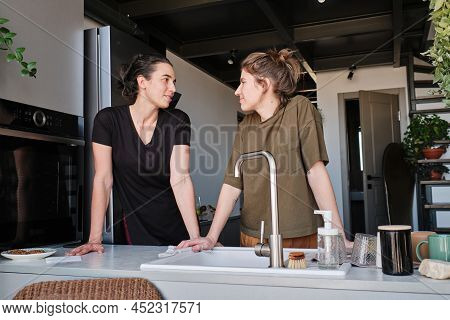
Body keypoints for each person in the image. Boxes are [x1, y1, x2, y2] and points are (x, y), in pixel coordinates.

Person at [178, 49, 352, 252]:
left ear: (264, 84)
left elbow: (316, 172)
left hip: (300, 236)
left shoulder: (300, 108)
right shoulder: (246, 125)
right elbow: (232, 184)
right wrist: (210, 237)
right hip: (253, 236)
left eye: (243, 82)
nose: (236, 91)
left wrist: (339, 235)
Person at [68, 54, 200, 255]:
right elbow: (103, 180)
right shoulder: (108, 120)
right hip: (138, 230)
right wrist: (94, 239)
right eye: (165, 80)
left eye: (174, 82)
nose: (172, 88)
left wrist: (195, 238)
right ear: (142, 82)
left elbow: (180, 178)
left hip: (179, 229)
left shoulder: (177, 120)